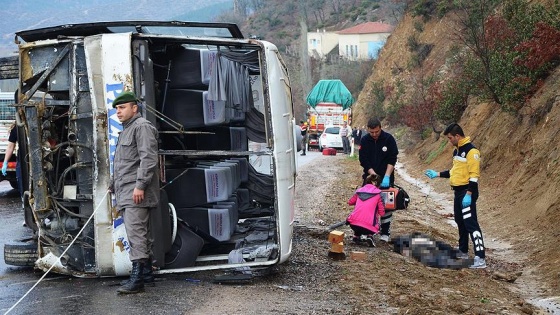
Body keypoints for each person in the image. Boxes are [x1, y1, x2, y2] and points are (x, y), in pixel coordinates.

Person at [109, 91, 160, 294]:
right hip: (127, 190)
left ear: (134, 108)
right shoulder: (127, 130)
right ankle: (147, 275)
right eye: (117, 109)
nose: (118, 112)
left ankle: (137, 280)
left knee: (136, 234)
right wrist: (113, 184)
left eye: (122, 108)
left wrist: (140, 185)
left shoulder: (141, 127)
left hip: (135, 191)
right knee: (140, 234)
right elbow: (124, 163)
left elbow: (148, 159)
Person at [425, 123, 486, 269]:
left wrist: (469, 194)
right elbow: (454, 172)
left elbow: (474, 176)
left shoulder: (472, 152)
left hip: (467, 192)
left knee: (471, 223)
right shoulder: (457, 152)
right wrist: (438, 174)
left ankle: (480, 257)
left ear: (457, 136)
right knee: (460, 221)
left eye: (450, 138)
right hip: (458, 192)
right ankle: (463, 250)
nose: (449, 141)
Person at [358, 117, 398, 242]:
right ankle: (367, 230)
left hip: (386, 176)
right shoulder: (364, 140)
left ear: (380, 128)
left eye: (376, 132)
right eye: (372, 132)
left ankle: (385, 232)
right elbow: (363, 159)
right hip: (370, 177)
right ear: (368, 130)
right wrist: (372, 175)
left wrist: (386, 176)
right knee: (368, 205)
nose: (374, 135)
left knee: (386, 206)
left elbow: (392, 159)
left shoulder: (389, 139)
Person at [347, 173, 385, 247]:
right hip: (368, 227)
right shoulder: (379, 194)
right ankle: (370, 236)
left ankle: (356, 236)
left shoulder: (359, 191)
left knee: (358, 219)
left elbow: (350, 202)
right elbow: (382, 212)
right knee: (374, 222)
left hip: (353, 224)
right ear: (377, 184)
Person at [2, 122, 22, 194]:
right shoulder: (17, 128)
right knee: (22, 183)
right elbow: (10, 146)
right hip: (23, 159)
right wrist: (5, 162)